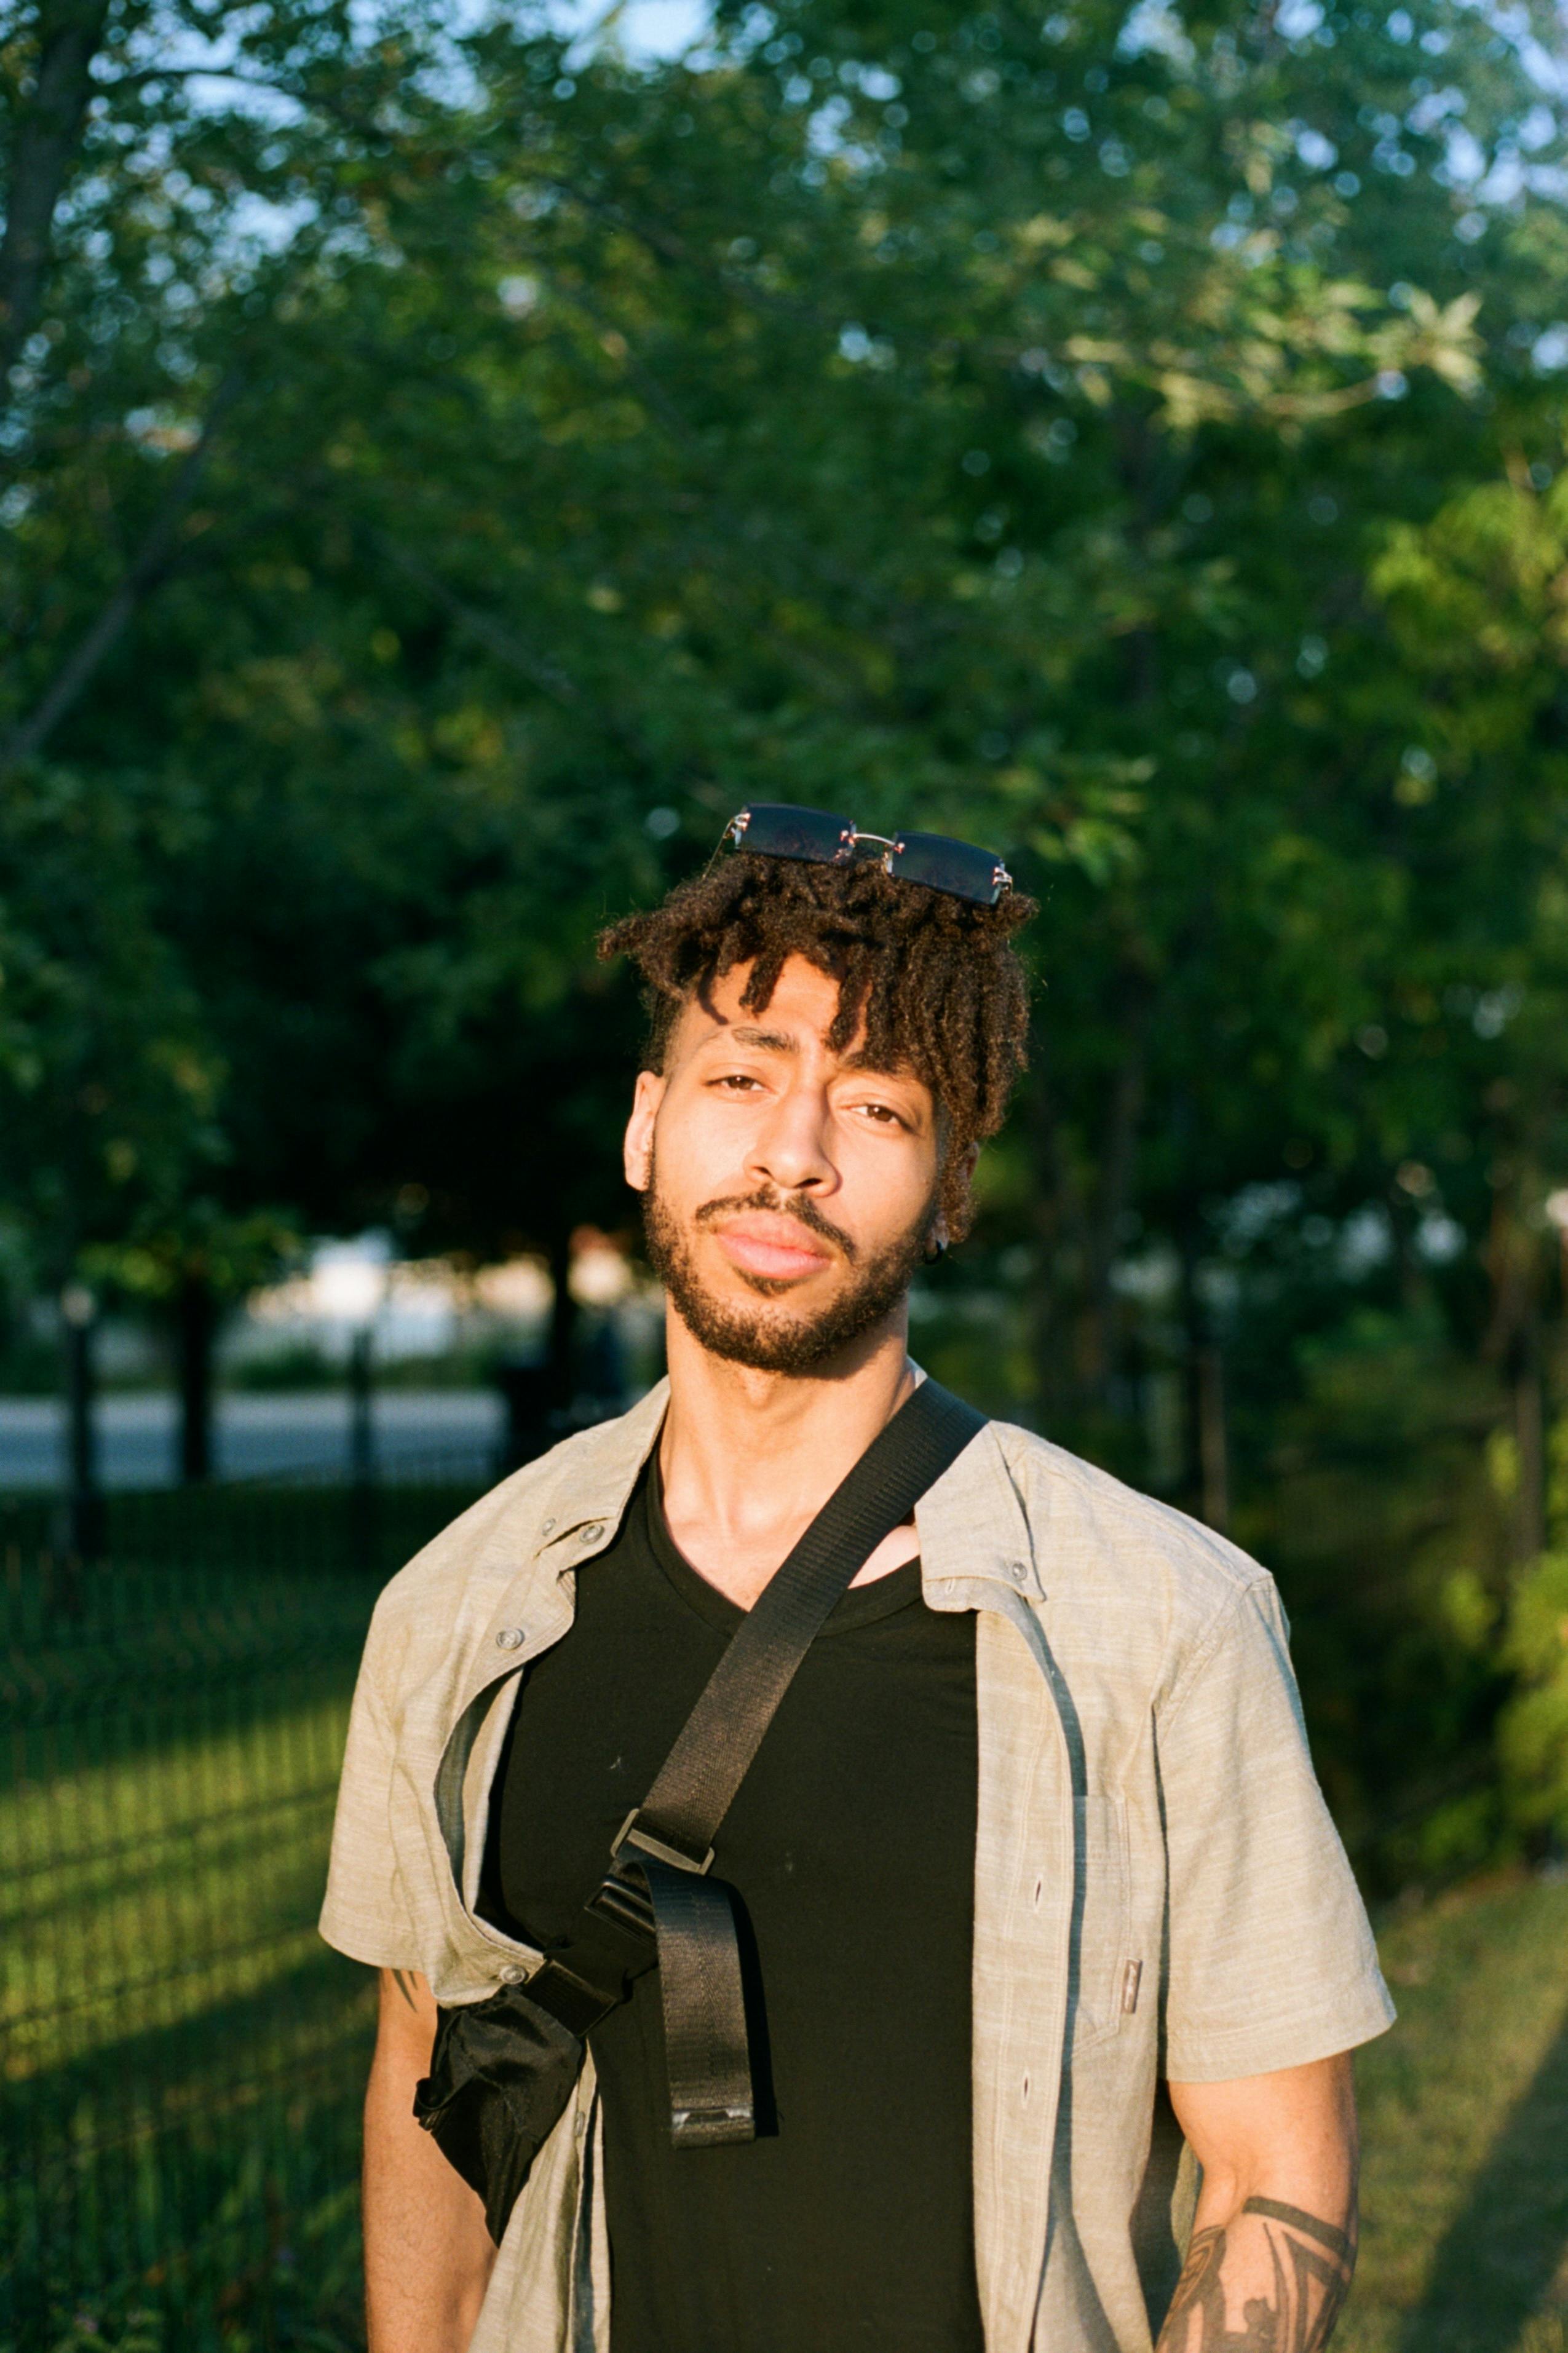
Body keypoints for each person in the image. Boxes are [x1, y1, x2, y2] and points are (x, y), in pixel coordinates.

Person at [320, 807, 1394, 2353]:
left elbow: (1275, 2173)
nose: (792, 1157)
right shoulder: (461, 1612)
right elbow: (432, 2083)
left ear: (949, 1180)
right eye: (742, 1077)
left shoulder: (1161, 1620)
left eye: (877, 1107)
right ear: (646, 1124)